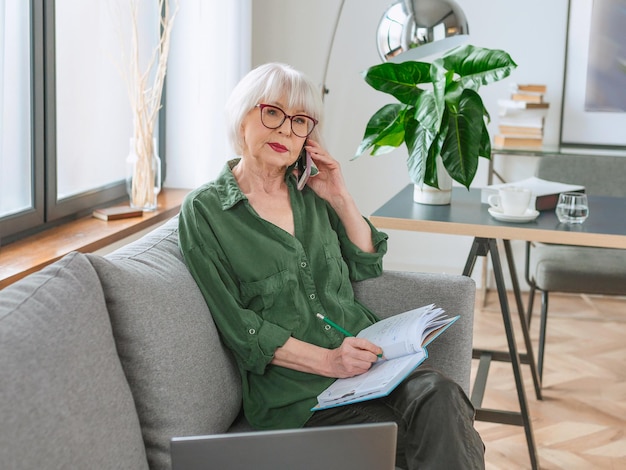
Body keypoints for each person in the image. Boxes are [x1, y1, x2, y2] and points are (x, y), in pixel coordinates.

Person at [178, 62, 485, 469]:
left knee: (442, 396)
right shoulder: (205, 212)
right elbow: (240, 328)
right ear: (242, 116)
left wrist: (340, 196)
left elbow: (366, 261)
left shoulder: (310, 194)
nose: (287, 130)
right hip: (301, 398)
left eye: (300, 121)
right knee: (447, 436)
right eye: (273, 113)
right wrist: (329, 361)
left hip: (370, 368)